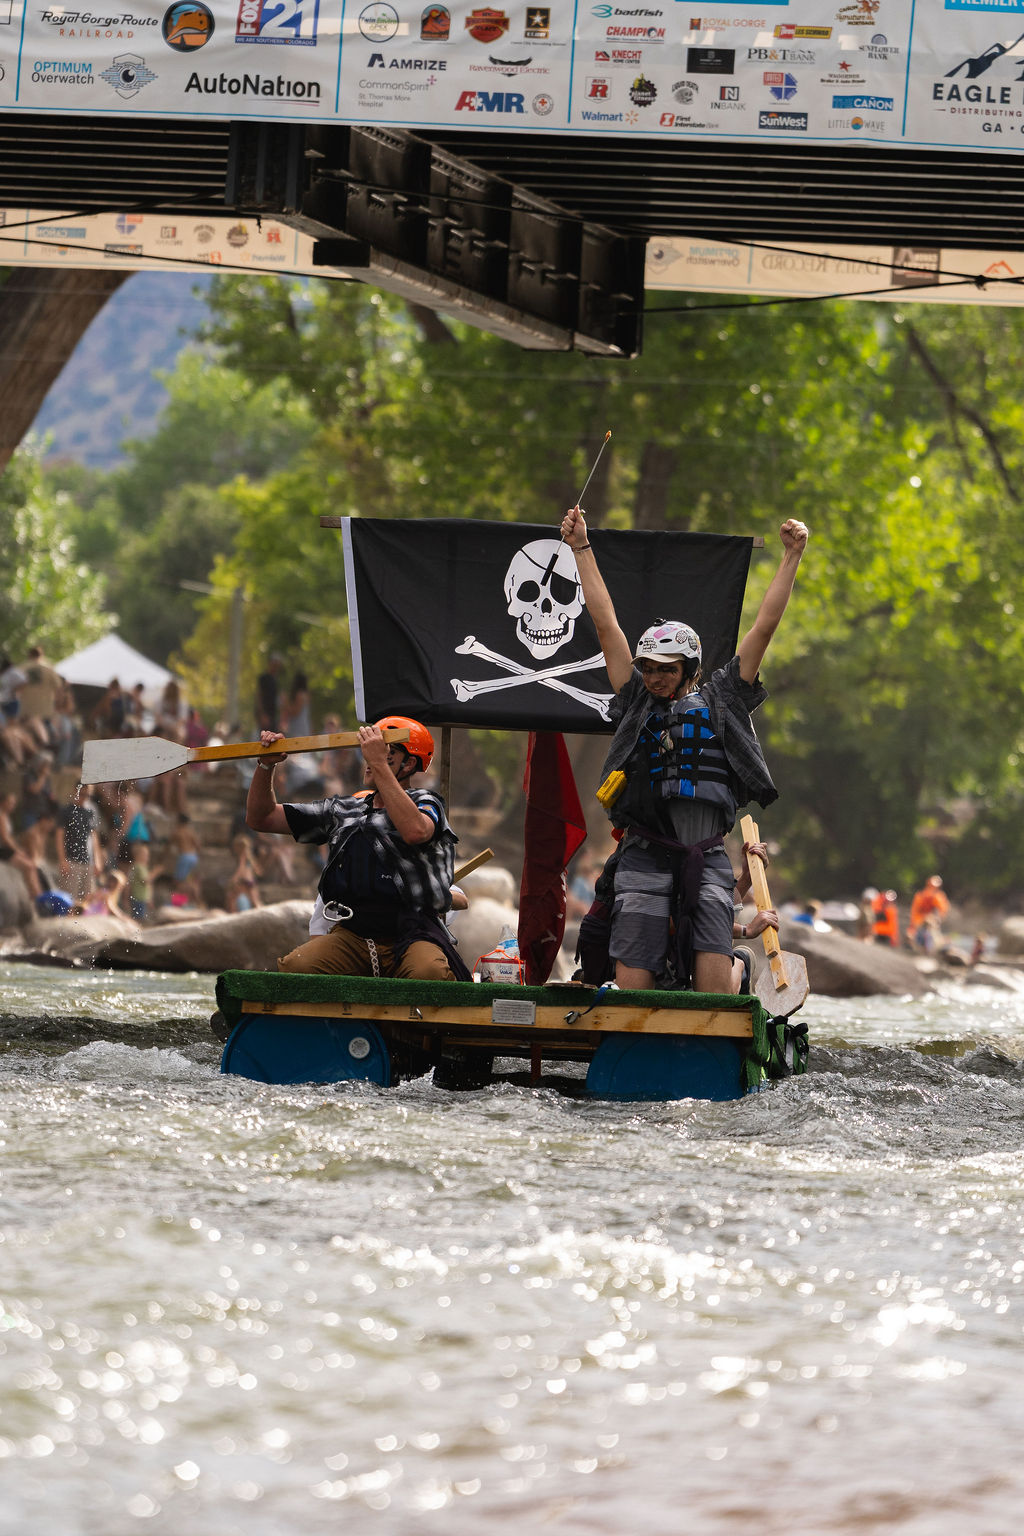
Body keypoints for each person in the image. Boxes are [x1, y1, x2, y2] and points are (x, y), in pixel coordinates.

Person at [560, 506, 808, 994]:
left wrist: (791, 557)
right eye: (649, 667)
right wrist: (580, 548)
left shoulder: (722, 697)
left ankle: (738, 966)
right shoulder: (636, 701)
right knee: (635, 987)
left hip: (706, 852)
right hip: (644, 853)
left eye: (666, 669)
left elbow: (763, 629)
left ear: (689, 667)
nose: (654, 677)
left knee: (712, 991)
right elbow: (605, 623)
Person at [246, 715, 470, 980]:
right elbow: (262, 818)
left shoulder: (426, 802)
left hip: (413, 932)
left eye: (387, 752)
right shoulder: (343, 809)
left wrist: (378, 762)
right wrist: (265, 766)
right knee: (297, 969)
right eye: (372, 751)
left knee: (428, 973)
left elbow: (415, 831)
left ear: (409, 764)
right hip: (354, 932)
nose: (370, 758)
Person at [55, 783, 103, 904]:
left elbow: (94, 836)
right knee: (69, 899)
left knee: (87, 900)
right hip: (72, 861)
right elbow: (59, 836)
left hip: (88, 862)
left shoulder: (91, 810)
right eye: (82, 794)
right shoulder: (66, 811)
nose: (84, 797)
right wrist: (62, 860)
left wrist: (97, 860)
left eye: (88, 795)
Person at [0, 789, 43, 901]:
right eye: (10, 802)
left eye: (14, 803)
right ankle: (38, 897)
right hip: (3, 851)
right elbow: (5, 838)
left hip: (6, 849)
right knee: (29, 866)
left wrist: (19, 849)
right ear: (3, 802)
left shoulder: (5, 816)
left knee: (31, 864)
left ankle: (38, 895)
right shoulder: (1, 815)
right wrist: (18, 851)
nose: (13, 805)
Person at [907, 874, 950, 953]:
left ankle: (930, 948)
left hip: (931, 922)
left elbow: (942, 911)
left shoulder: (938, 897)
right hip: (920, 921)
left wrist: (935, 919)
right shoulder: (920, 895)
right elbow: (915, 911)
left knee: (934, 936)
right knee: (911, 935)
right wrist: (915, 923)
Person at [255, 654, 283, 734]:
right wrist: (262, 714)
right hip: (265, 715)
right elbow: (259, 696)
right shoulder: (264, 678)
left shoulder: (276, 680)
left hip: (273, 716)